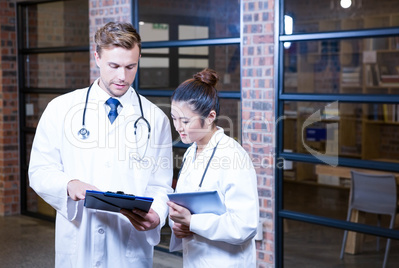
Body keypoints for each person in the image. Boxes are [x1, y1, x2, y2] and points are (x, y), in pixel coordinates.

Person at [28, 22, 173, 268]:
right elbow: (39, 170)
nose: (122, 77)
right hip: (79, 241)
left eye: (131, 67)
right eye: (114, 66)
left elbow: (160, 183)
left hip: (129, 246)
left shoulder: (155, 118)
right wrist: (68, 184)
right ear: (97, 57)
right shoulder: (61, 109)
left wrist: (158, 213)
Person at [168, 68, 259, 267]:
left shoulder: (233, 156)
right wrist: (178, 224)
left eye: (185, 120)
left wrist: (192, 222)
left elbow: (244, 225)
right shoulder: (192, 151)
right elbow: (182, 206)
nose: (178, 127)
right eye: (174, 118)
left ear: (210, 117)